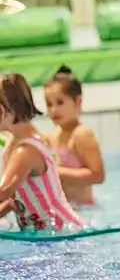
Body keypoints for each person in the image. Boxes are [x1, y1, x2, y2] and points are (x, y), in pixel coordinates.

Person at [0, 73, 85, 230]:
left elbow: (3, 191)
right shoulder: (13, 145)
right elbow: (14, 199)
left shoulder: (25, 151)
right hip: (48, 234)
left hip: (63, 233)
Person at [43, 66, 105, 205]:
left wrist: (56, 172)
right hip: (65, 211)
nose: (54, 110)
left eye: (60, 102)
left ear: (78, 102)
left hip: (85, 211)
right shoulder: (49, 138)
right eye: (49, 104)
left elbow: (98, 175)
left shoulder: (81, 135)